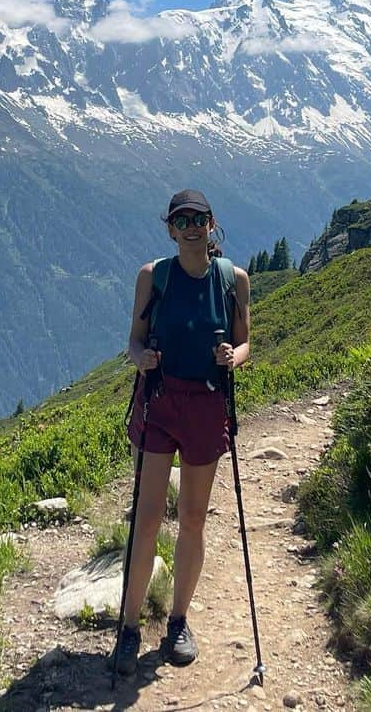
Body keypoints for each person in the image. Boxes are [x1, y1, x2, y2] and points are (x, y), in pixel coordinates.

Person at [113, 188, 251, 675]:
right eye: (182, 220)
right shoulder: (153, 277)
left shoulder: (234, 279)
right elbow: (132, 340)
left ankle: (177, 622)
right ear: (170, 228)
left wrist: (235, 356)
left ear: (211, 225)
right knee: (146, 519)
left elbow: (244, 340)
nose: (192, 226)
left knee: (192, 519)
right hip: (159, 402)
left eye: (200, 219)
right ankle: (129, 628)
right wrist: (140, 358)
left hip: (206, 404)